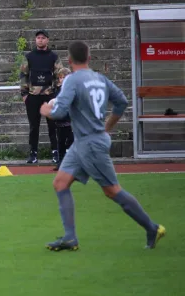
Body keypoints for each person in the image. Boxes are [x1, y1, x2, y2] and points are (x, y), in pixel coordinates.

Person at [40, 40, 165, 251]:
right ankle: (70, 238)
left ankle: (152, 228)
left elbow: (60, 112)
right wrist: (108, 126)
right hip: (83, 142)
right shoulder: (99, 79)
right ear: (89, 58)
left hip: (90, 144)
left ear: (69, 61)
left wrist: (47, 111)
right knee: (60, 183)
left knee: (112, 190)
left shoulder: (72, 80)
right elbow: (122, 101)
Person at [20, 29, 63, 165]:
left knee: (53, 126)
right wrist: (25, 94)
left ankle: (56, 153)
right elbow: (23, 75)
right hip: (33, 97)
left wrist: (57, 94)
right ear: (35, 40)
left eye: (43, 38)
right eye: (38, 37)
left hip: (49, 96)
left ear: (47, 40)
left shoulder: (53, 57)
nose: (40, 40)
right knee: (34, 126)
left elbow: (60, 75)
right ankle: (33, 154)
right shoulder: (29, 56)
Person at [53, 67, 74, 172]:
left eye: (64, 77)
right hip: (60, 120)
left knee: (71, 141)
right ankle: (60, 162)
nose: (62, 80)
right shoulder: (57, 89)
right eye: (60, 78)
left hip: (70, 121)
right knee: (60, 142)